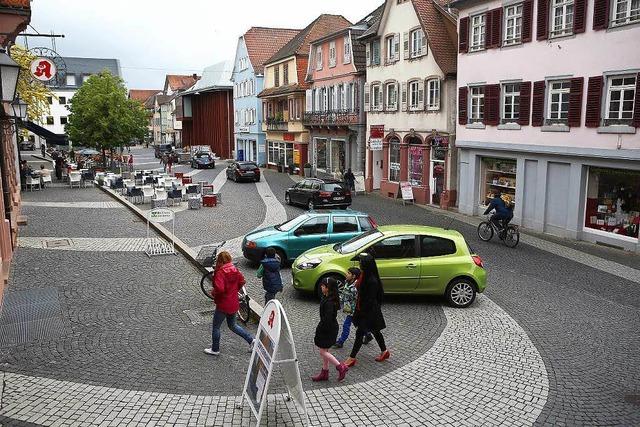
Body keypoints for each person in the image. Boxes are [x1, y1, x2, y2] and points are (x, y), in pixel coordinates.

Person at [204, 251, 255, 356]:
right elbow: (242, 281)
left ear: (220, 261)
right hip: (233, 302)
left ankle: (215, 349)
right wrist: (234, 290)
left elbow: (220, 288)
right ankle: (251, 340)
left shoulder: (220, 272)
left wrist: (214, 292)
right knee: (233, 325)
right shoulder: (235, 270)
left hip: (223, 304)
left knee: (216, 327)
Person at [344, 253, 390, 367]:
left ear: (366, 265)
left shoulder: (372, 281)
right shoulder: (364, 274)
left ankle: (352, 357)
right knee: (375, 330)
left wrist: (361, 313)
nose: (360, 265)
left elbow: (370, 300)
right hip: (363, 308)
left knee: (360, 333)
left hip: (368, 310)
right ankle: (384, 351)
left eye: (361, 263)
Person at [312, 277, 349, 382]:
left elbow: (327, 319)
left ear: (328, 288)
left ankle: (340, 367)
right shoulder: (327, 298)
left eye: (323, 286)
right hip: (330, 327)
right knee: (325, 350)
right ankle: (325, 372)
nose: (321, 286)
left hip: (328, 328)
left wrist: (320, 328)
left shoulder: (329, 302)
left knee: (323, 352)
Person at [333, 267, 373, 349]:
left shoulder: (355, 287)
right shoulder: (347, 282)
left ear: (354, 276)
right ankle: (367, 334)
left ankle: (341, 341)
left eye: (348, 273)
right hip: (350, 309)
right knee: (358, 324)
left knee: (346, 325)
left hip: (354, 310)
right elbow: (344, 295)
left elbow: (357, 299)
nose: (346, 274)